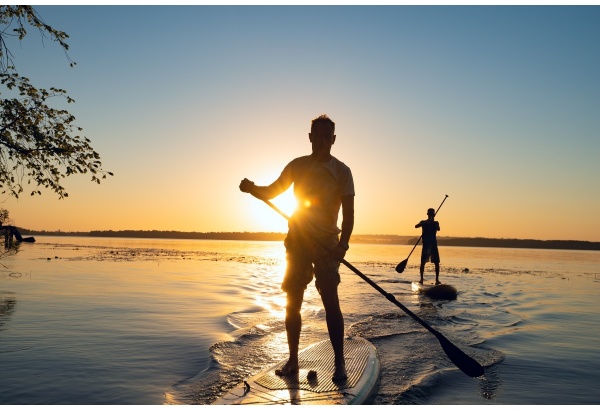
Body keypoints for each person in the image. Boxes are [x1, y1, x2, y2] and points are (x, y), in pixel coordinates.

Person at [239, 114, 354, 383]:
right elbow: (271, 191)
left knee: (331, 303)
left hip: (327, 244)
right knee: (293, 301)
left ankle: (339, 363)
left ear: (333, 140)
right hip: (298, 239)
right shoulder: (297, 165)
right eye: (318, 135)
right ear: (310, 137)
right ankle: (293, 360)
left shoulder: (342, 172)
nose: (323, 140)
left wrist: (343, 246)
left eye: (328, 136)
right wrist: (251, 188)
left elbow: (348, 215)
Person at [415, 208, 441, 285]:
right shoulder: (423, 222)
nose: (431, 215)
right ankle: (421, 279)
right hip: (426, 244)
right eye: (429, 214)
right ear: (427, 214)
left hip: (433, 245)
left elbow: (438, 228)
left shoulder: (435, 223)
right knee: (422, 262)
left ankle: (437, 280)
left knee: (436, 263)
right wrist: (424, 224)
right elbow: (416, 226)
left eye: (432, 214)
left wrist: (431, 223)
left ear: (434, 215)